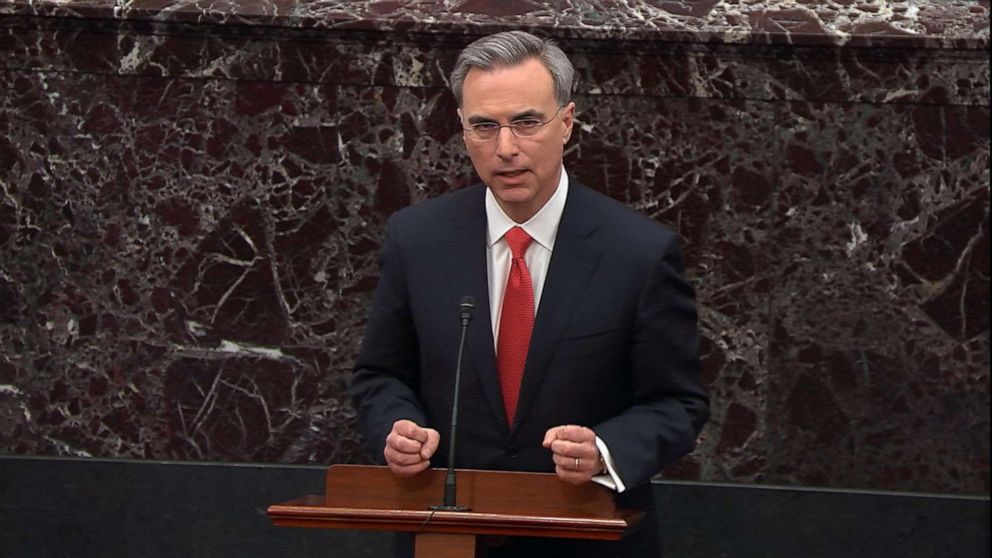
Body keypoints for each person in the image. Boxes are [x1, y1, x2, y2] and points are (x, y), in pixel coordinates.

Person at [349, 30, 709, 557]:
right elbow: (380, 374)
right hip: (449, 535)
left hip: (586, 534)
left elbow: (678, 401)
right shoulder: (418, 239)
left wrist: (606, 451)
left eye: (526, 122)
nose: (506, 148)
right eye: (484, 126)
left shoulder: (637, 252)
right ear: (463, 130)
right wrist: (397, 428)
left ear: (566, 122)